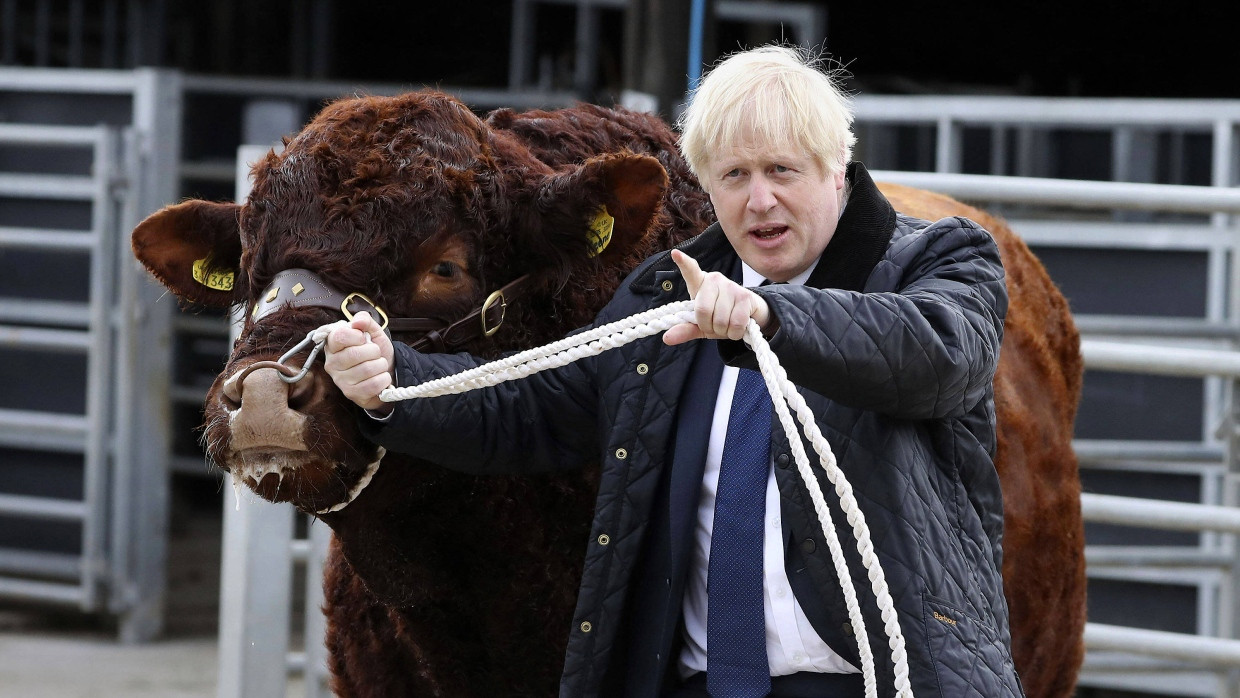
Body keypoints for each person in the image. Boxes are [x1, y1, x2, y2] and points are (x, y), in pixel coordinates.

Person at [324, 45, 1022, 698]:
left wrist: (774, 318)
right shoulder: (666, 292)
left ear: (837, 165)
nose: (760, 201)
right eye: (734, 176)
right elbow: (533, 409)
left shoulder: (940, 259)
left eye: (782, 170)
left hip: (876, 681)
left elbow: (938, 355)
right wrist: (393, 382)